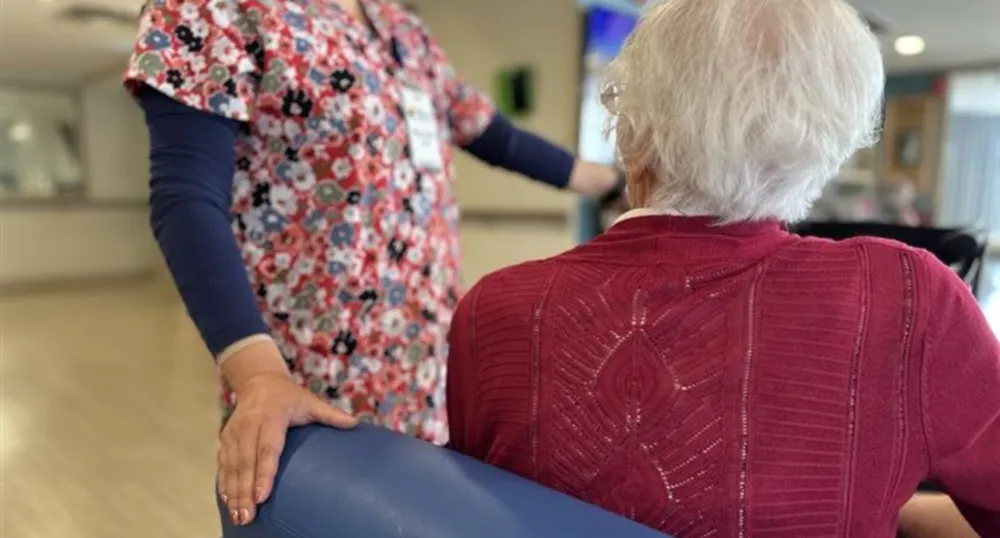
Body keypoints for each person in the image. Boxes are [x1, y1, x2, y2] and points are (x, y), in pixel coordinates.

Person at [446, 0, 1000, 536]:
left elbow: (480, 511)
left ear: (633, 131)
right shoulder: (906, 300)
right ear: (830, 142)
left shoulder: (496, 310)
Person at [123, 0, 623, 526]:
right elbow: (185, 196)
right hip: (310, 389)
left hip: (427, 377)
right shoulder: (214, 9)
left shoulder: (402, 29)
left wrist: (620, 181)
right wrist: (258, 376)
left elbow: (497, 136)